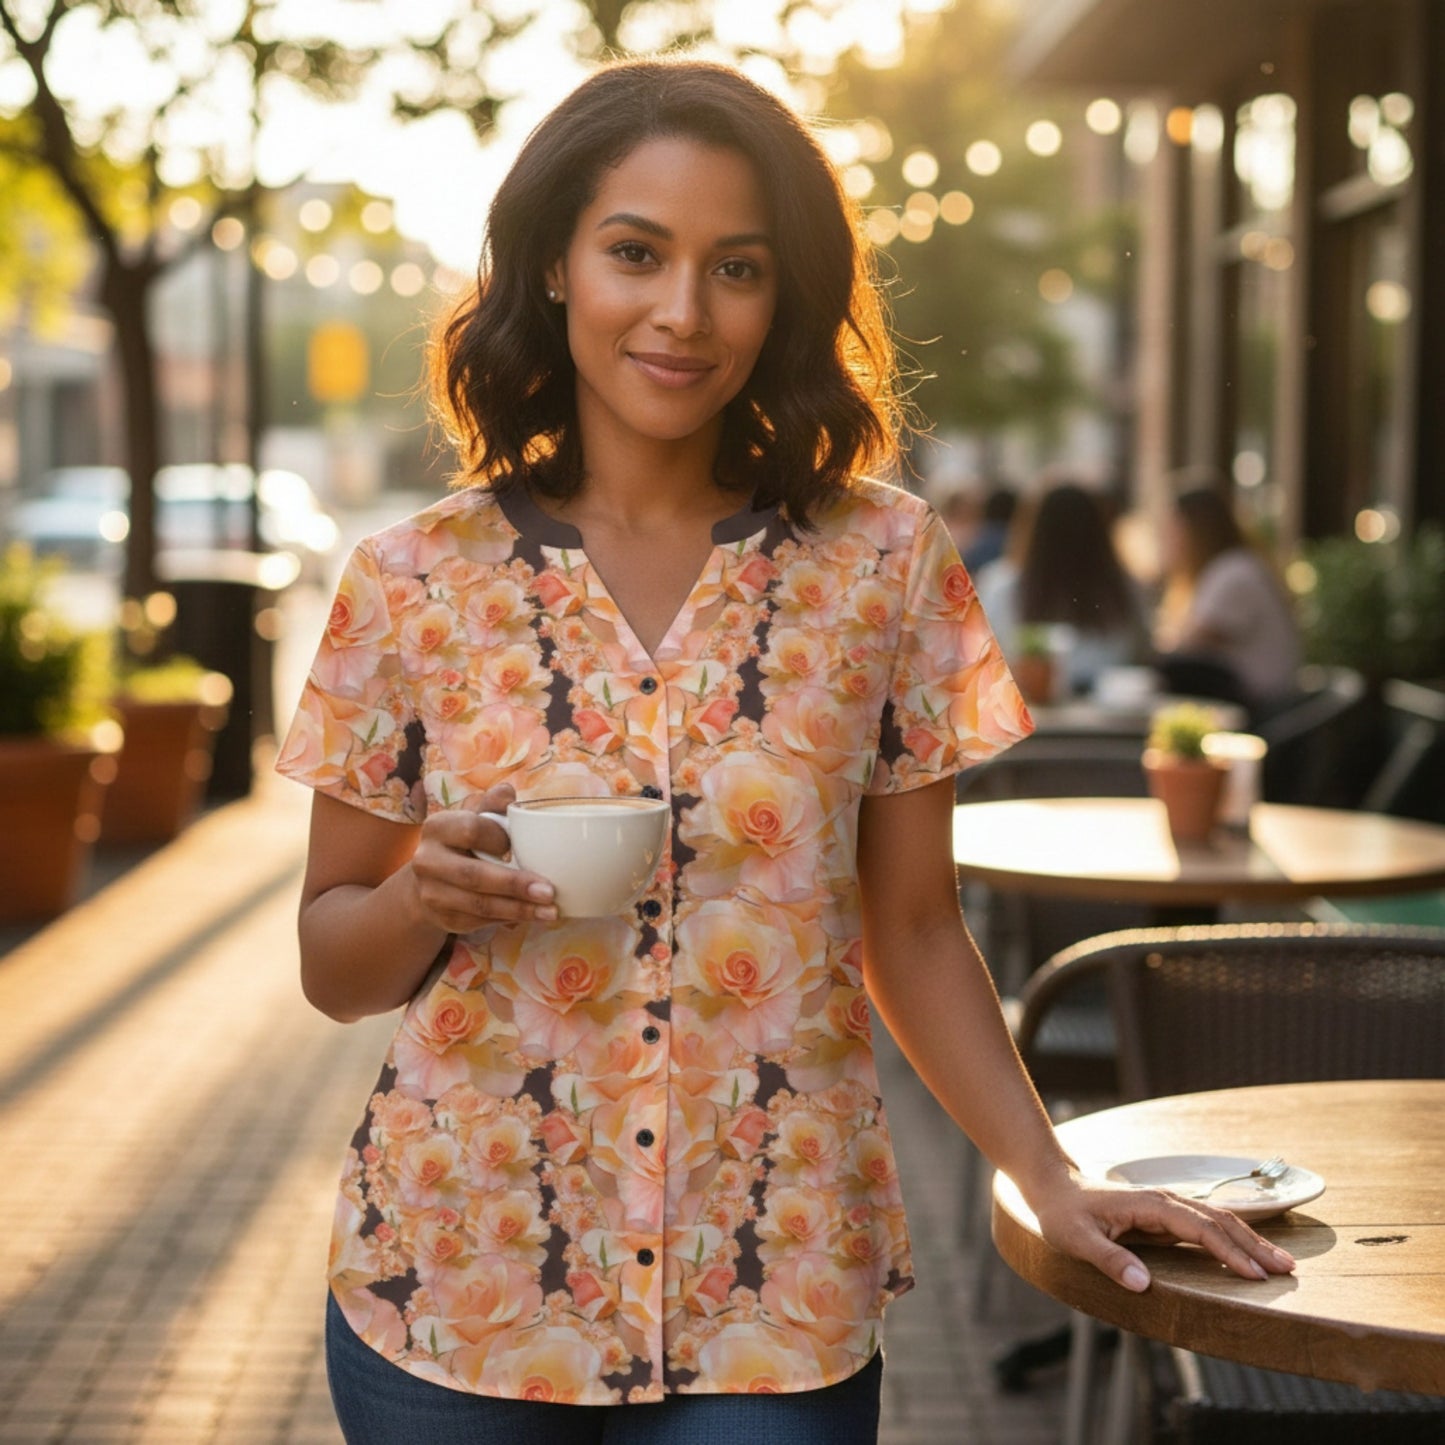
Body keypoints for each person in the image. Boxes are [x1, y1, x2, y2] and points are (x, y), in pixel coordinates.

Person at [276, 58, 1294, 1444]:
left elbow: (918, 928)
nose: (684, 312)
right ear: (558, 264)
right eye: (637, 251)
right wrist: (416, 899)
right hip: (457, 1284)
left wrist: (1046, 1176)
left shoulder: (882, 563)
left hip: (778, 1294)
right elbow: (333, 963)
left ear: (785, 293)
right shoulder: (407, 581)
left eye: (736, 267)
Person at [975, 481, 1148, 697]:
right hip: (1114, 720)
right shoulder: (1126, 590)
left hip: (1030, 719)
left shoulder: (1001, 586)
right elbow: (1143, 655)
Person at [1155, 485, 1302, 711]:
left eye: (1172, 529)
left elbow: (1190, 645)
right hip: (1256, 703)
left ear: (1195, 529)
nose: (1165, 540)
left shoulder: (1234, 574)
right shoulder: (1231, 567)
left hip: (1260, 711)